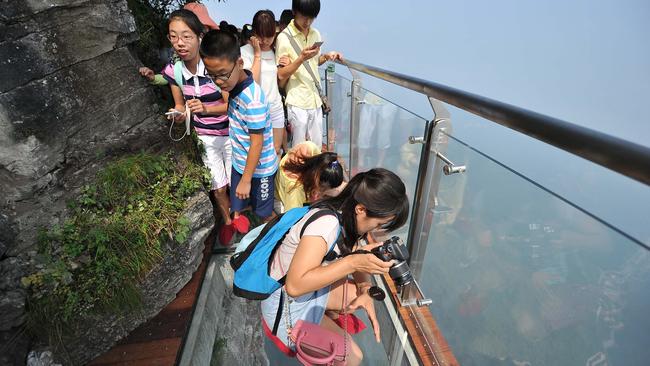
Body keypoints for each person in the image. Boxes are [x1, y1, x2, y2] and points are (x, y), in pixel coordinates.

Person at [261, 168, 409, 365]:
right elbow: (295, 286)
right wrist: (353, 262)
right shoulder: (326, 225)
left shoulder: (346, 214)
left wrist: (365, 288)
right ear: (361, 209)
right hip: (285, 307)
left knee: (358, 296)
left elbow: (353, 249)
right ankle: (315, 330)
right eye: (380, 223)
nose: (378, 230)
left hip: (308, 293)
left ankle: (326, 317)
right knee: (354, 357)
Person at [200, 30, 279, 244]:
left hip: (259, 169)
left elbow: (257, 142)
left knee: (264, 211)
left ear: (239, 62)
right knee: (239, 202)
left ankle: (275, 238)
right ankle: (241, 224)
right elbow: (232, 112)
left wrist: (246, 180)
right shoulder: (235, 85)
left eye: (222, 74)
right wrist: (206, 110)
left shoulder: (252, 99)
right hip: (241, 162)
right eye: (212, 74)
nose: (218, 82)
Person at [161, 10, 233, 241]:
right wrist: (178, 115)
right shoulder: (175, 72)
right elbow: (180, 105)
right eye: (173, 37)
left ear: (199, 37)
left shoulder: (214, 66)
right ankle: (229, 222)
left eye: (186, 36)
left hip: (231, 134)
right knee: (218, 187)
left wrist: (206, 109)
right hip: (205, 137)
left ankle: (241, 215)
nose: (179, 43)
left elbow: (230, 105)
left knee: (236, 182)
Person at [276, 0, 343, 148]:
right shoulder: (284, 38)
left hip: (315, 98)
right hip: (296, 99)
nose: (308, 21)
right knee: (299, 148)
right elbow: (281, 74)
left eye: (312, 17)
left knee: (316, 147)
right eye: (304, 16)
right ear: (294, 11)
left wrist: (325, 56)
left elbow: (312, 63)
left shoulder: (315, 34)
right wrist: (301, 58)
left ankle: (314, 172)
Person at [241, 10, 286, 160]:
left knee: (275, 150)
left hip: (275, 107)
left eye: (270, 36)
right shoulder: (245, 52)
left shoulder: (277, 52)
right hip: (255, 110)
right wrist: (257, 54)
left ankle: (273, 183)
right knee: (257, 152)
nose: (265, 41)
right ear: (254, 32)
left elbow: (281, 83)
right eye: (261, 36)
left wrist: (286, 69)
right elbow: (252, 82)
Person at [138, 2, 218, 84]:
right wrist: (153, 78)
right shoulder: (178, 57)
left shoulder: (216, 54)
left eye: (202, 31)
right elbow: (169, 76)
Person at [274, 141, 344, 213]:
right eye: (326, 188)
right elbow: (291, 219)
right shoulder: (295, 190)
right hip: (281, 201)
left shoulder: (308, 148)